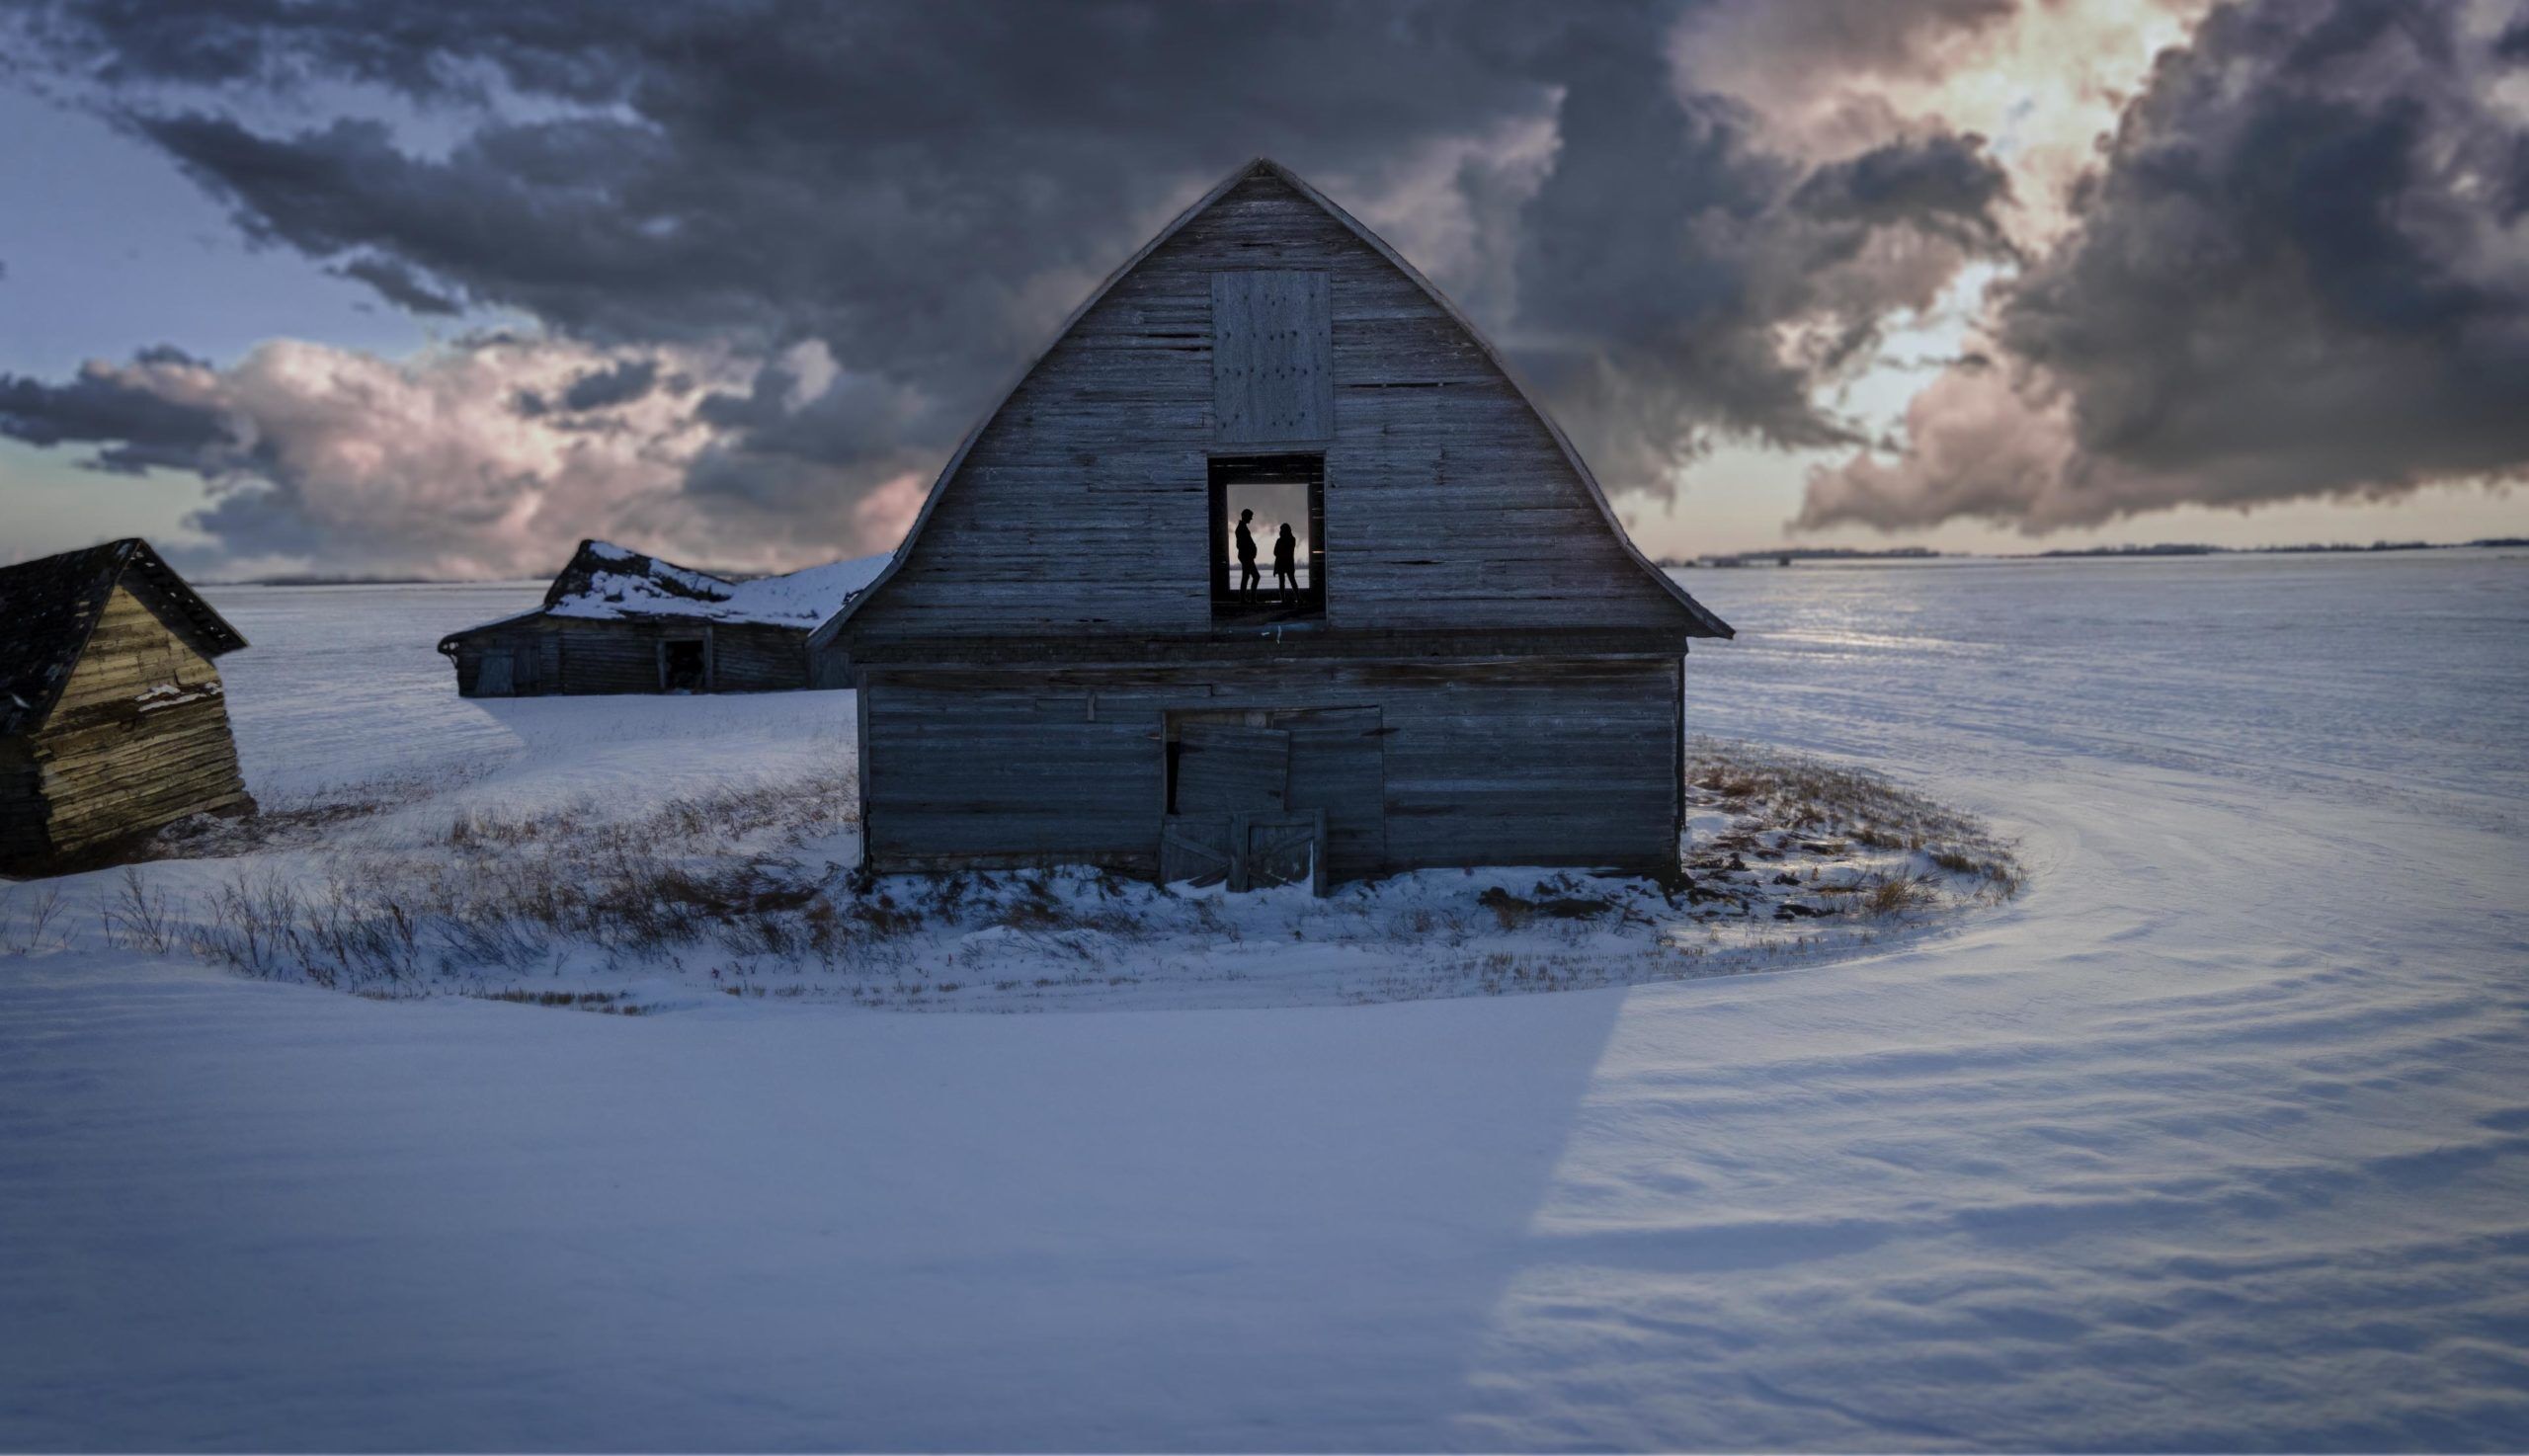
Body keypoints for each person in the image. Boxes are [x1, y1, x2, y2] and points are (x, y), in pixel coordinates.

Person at [1235, 508, 1260, 599]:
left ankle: (1245, 598)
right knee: (1254, 577)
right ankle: (1250, 598)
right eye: (1250, 517)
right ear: (1245, 516)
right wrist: (1252, 550)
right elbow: (1241, 544)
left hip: (1246, 556)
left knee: (1246, 576)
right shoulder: (1241, 529)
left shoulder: (1242, 528)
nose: (1251, 519)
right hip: (1246, 556)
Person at [1273, 523, 1298, 601]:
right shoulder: (1292, 539)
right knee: (1292, 581)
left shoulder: (1280, 540)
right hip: (1288, 562)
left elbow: (1276, 552)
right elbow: (1287, 551)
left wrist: (1281, 553)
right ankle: (1298, 597)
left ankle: (1283, 599)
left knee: (1283, 582)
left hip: (1282, 562)